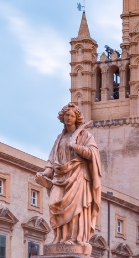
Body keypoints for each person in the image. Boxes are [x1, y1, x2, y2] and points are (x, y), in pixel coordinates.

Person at [37, 103, 103, 245]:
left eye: (72, 116)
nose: (69, 118)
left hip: (78, 175)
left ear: (76, 118)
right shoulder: (60, 138)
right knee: (54, 204)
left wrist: (75, 146)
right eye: (67, 115)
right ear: (63, 117)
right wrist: (46, 172)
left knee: (75, 210)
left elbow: (93, 153)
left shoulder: (85, 135)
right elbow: (52, 159)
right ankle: (59, 238)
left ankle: (74, 239)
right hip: (60, 176)